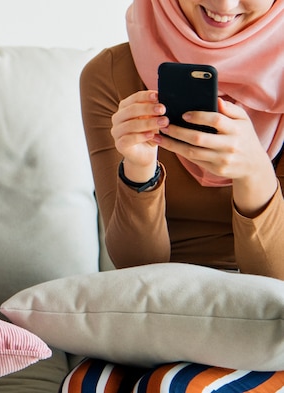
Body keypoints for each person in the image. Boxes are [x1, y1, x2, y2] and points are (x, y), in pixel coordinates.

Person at [72, 0, 284, 391]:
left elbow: (278, 281)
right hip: (156, 306)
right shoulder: (110, 74)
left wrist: (255, 172)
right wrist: (139, 169)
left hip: (270, 320)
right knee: (88, 387)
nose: (223, 5)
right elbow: (136, 268)